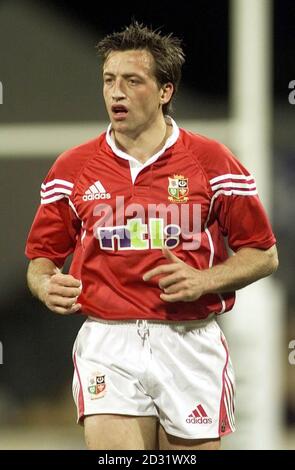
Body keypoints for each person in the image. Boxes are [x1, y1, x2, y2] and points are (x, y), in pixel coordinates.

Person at [25, 22, 278, 451]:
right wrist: (46, 285)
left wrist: (206, 280)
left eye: (132, 81)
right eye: (109, 80)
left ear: (165, 91)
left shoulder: (212, 161)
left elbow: (264, 254)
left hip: (189, 339)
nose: (116, 92)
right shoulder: (73, 167)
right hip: (108, 339)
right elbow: (41, 261)